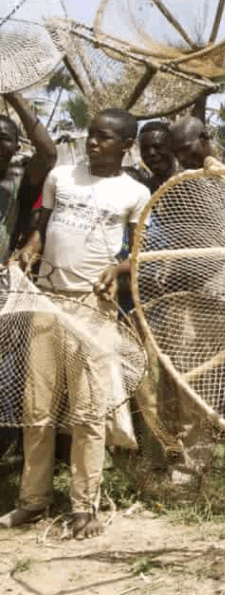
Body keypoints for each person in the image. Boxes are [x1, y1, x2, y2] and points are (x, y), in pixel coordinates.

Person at [2, 108, 150, 539]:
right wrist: (30, 247)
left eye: (105, 138)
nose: (93, 142)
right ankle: (33, 501)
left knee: (87, 411)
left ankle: (85, 506)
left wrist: (119, 271)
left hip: (92, 307)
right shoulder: (60, 178)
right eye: (91, 135)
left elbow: (137, 253)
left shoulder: (134, 192)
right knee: (37, 408)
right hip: (46, 301)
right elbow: (40, 228)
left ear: (125, 146)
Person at [0, 92, 57, 261]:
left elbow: (48, 154)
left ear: (17, 147)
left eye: (3, 139)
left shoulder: (20, 178)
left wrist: (15, 98)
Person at [126, 121, 175, 193]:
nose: (151, 153)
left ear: (172, 146)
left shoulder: (191, 181)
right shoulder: (143, 190)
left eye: (157, 146)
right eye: (144, 149)